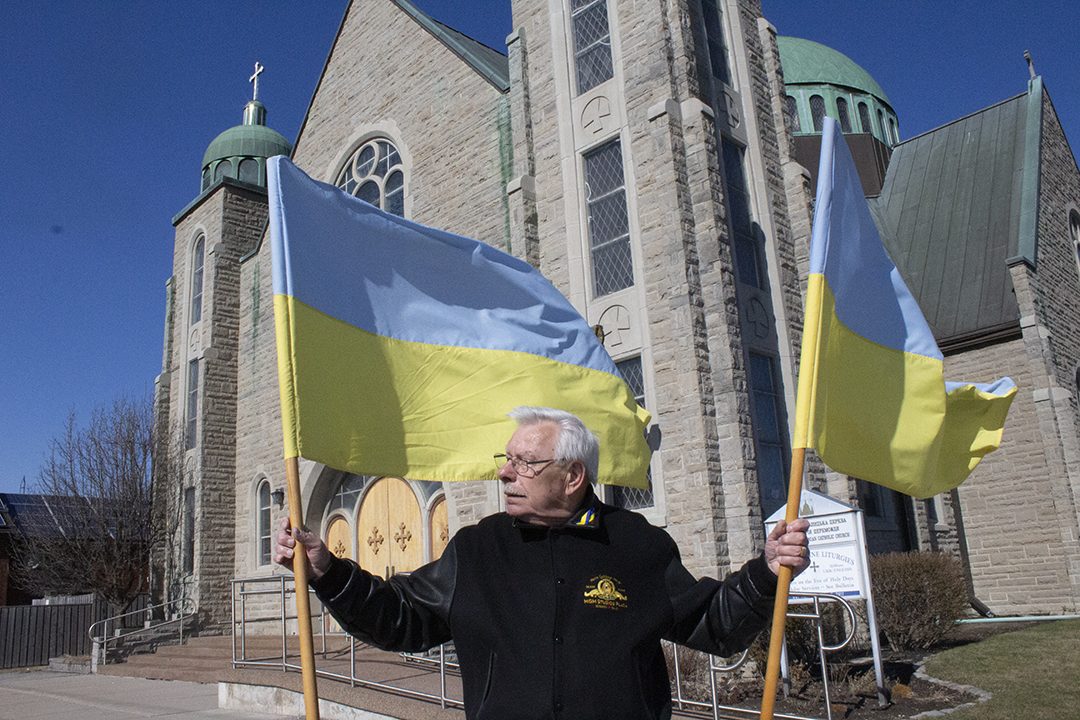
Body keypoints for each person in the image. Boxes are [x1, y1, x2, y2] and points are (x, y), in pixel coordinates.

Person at [275, 406, 810, 720]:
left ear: (573, 476)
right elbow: (400, 618)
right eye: (505, 461)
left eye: (524, 463)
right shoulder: (476, 549)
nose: (506, 474)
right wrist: (328, 571)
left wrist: (766, 572)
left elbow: (713, 624)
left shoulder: (637, 546)